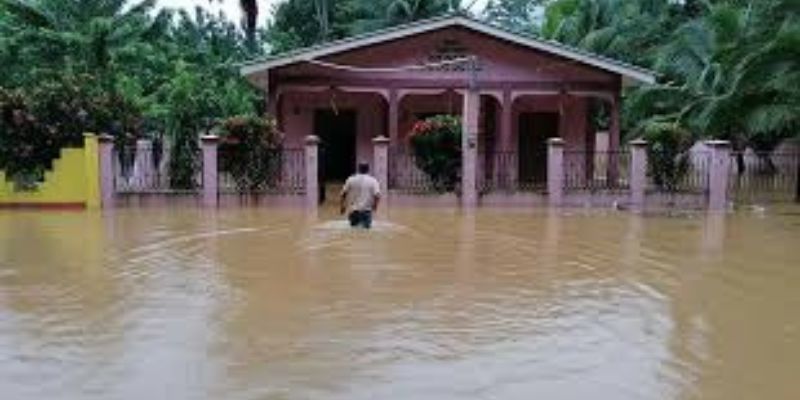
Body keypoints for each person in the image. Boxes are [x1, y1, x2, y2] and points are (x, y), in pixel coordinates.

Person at [340, 163, 381, 229]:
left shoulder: (350, 179)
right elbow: (377, 195)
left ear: (358, 169)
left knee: (353, 231)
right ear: (368, 169)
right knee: (366, 233)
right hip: (366, 212)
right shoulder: (373, 181)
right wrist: (375, 206)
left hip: (353, 212)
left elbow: (343, 194)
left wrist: (342, 206)